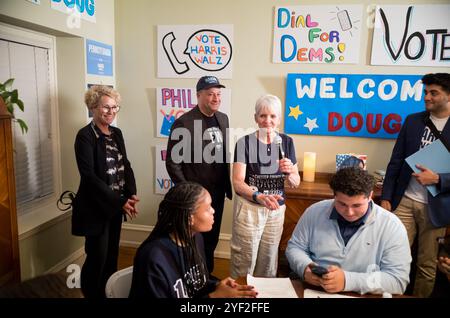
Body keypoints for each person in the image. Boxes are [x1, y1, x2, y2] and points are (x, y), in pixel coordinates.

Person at [286, 167, 411, 295]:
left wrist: (347, 281)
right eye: (342, 204)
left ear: (370, 196)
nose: (349, 212)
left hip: (364, 294)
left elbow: (397, 280)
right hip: (312, 290)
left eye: (357, 205)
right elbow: (295, 247)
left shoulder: (392, 226)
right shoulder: (314, 212)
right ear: (334, 195)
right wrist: (305, 268)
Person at [380, 73, 450, 297]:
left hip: (436, 207)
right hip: (404, 202)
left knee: (427, 266)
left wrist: (439, 179)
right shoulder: (412, 120)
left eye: (433, 93)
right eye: (425, 92)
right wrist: (386, 197)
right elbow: (396, 161)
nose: (427, 97)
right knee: (391, 258)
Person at [129, 182, 258, 298]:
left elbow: (197, 283)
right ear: (189, 219)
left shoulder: (196, 238)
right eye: (208, 208)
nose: (213, 211)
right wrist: (214, 297)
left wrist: (217, 285)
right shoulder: (153, 257)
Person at [72, 85, 139, 298]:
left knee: (111, 256)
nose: (111, 112)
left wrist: (131, 194)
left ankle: (108, 294)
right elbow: (89, 177)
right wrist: (119, 201)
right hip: (95, 208)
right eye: (106, 107)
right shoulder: (85, 136)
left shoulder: (116, 133)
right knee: (97, 258)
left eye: (115, 108)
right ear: (93, 107)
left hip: (115, 206)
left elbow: (125, 165)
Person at [166, 76, 232, 274]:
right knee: (194, 242)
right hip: (196, 198)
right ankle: (191, 281)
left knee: (212, 240)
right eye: (210, 93)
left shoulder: (223, 118)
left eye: (218, 94)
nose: (215, 98)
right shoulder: (183, 123)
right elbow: (173, 163)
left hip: (218, 194)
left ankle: (207, 278)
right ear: (198, 95)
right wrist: (190, 194)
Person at [230, 94, 300, 278]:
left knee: (268, 261)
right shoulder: (244, 143)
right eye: (262, 116)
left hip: (276, 210)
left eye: (272, 116)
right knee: (244, 261)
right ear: (255, 118)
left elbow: (295, 182)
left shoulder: (287, 142)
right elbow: (237, 182)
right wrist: (257, 196)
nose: (267, 121)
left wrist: (291, 171)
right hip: (250, 208)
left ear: (279, 119)